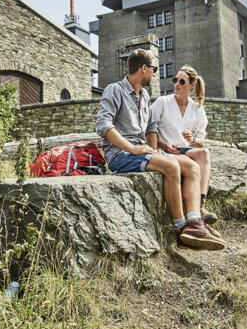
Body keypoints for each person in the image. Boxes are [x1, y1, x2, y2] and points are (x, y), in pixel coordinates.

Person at [95, 48, 224, 251]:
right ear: (143, 68)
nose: (155, 74)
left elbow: (150, 128)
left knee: (192, 167)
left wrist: (154, 151)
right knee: (171, 165)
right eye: (154, 69)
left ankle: (194, 222)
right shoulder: (114, 90)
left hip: (141, 151)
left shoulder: (145, 96)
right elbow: (103, 125)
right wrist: (133, 148)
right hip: (120, 155)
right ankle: (181, 229)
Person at [146, 64, 217, 226]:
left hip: (185, 151)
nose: (177, 84)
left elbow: (199, 141)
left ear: (192, 86)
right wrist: (163, 145)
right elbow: (148, 129)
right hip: (165, 151)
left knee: (204, 153)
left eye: (182, 81)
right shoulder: (162, 102)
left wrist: (192, 139)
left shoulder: (197, 108)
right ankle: (192, 215)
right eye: (175, 80)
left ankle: (201, 205)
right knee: (195, 161)